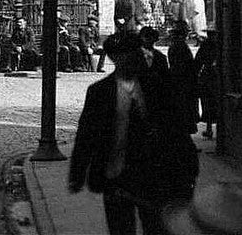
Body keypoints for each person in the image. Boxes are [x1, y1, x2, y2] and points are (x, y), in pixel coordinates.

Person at [68, 32, 198, 235]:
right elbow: (87, 135)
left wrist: (189, 169)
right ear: (116, 59)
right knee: (120, 230)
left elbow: (176, 130)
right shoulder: (100, 92)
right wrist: (77, 173)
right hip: (116, 178)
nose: (136, 59)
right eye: (127, 56)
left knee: (156, 228)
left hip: (154, 175)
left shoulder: (158, 87)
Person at [167, 20, 198, 135]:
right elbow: (183, 65)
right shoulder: (179, 46)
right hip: (182, 82)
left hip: (180, 81)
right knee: (183, 111)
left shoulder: (176, 45)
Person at [194, 27, 219, 139]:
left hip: (209, 77)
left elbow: (198, 61)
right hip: (213, 77)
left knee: (209, 104)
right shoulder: (220, 43)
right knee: (211, 104)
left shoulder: (206, 45)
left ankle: (209, 129)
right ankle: (210, 129)